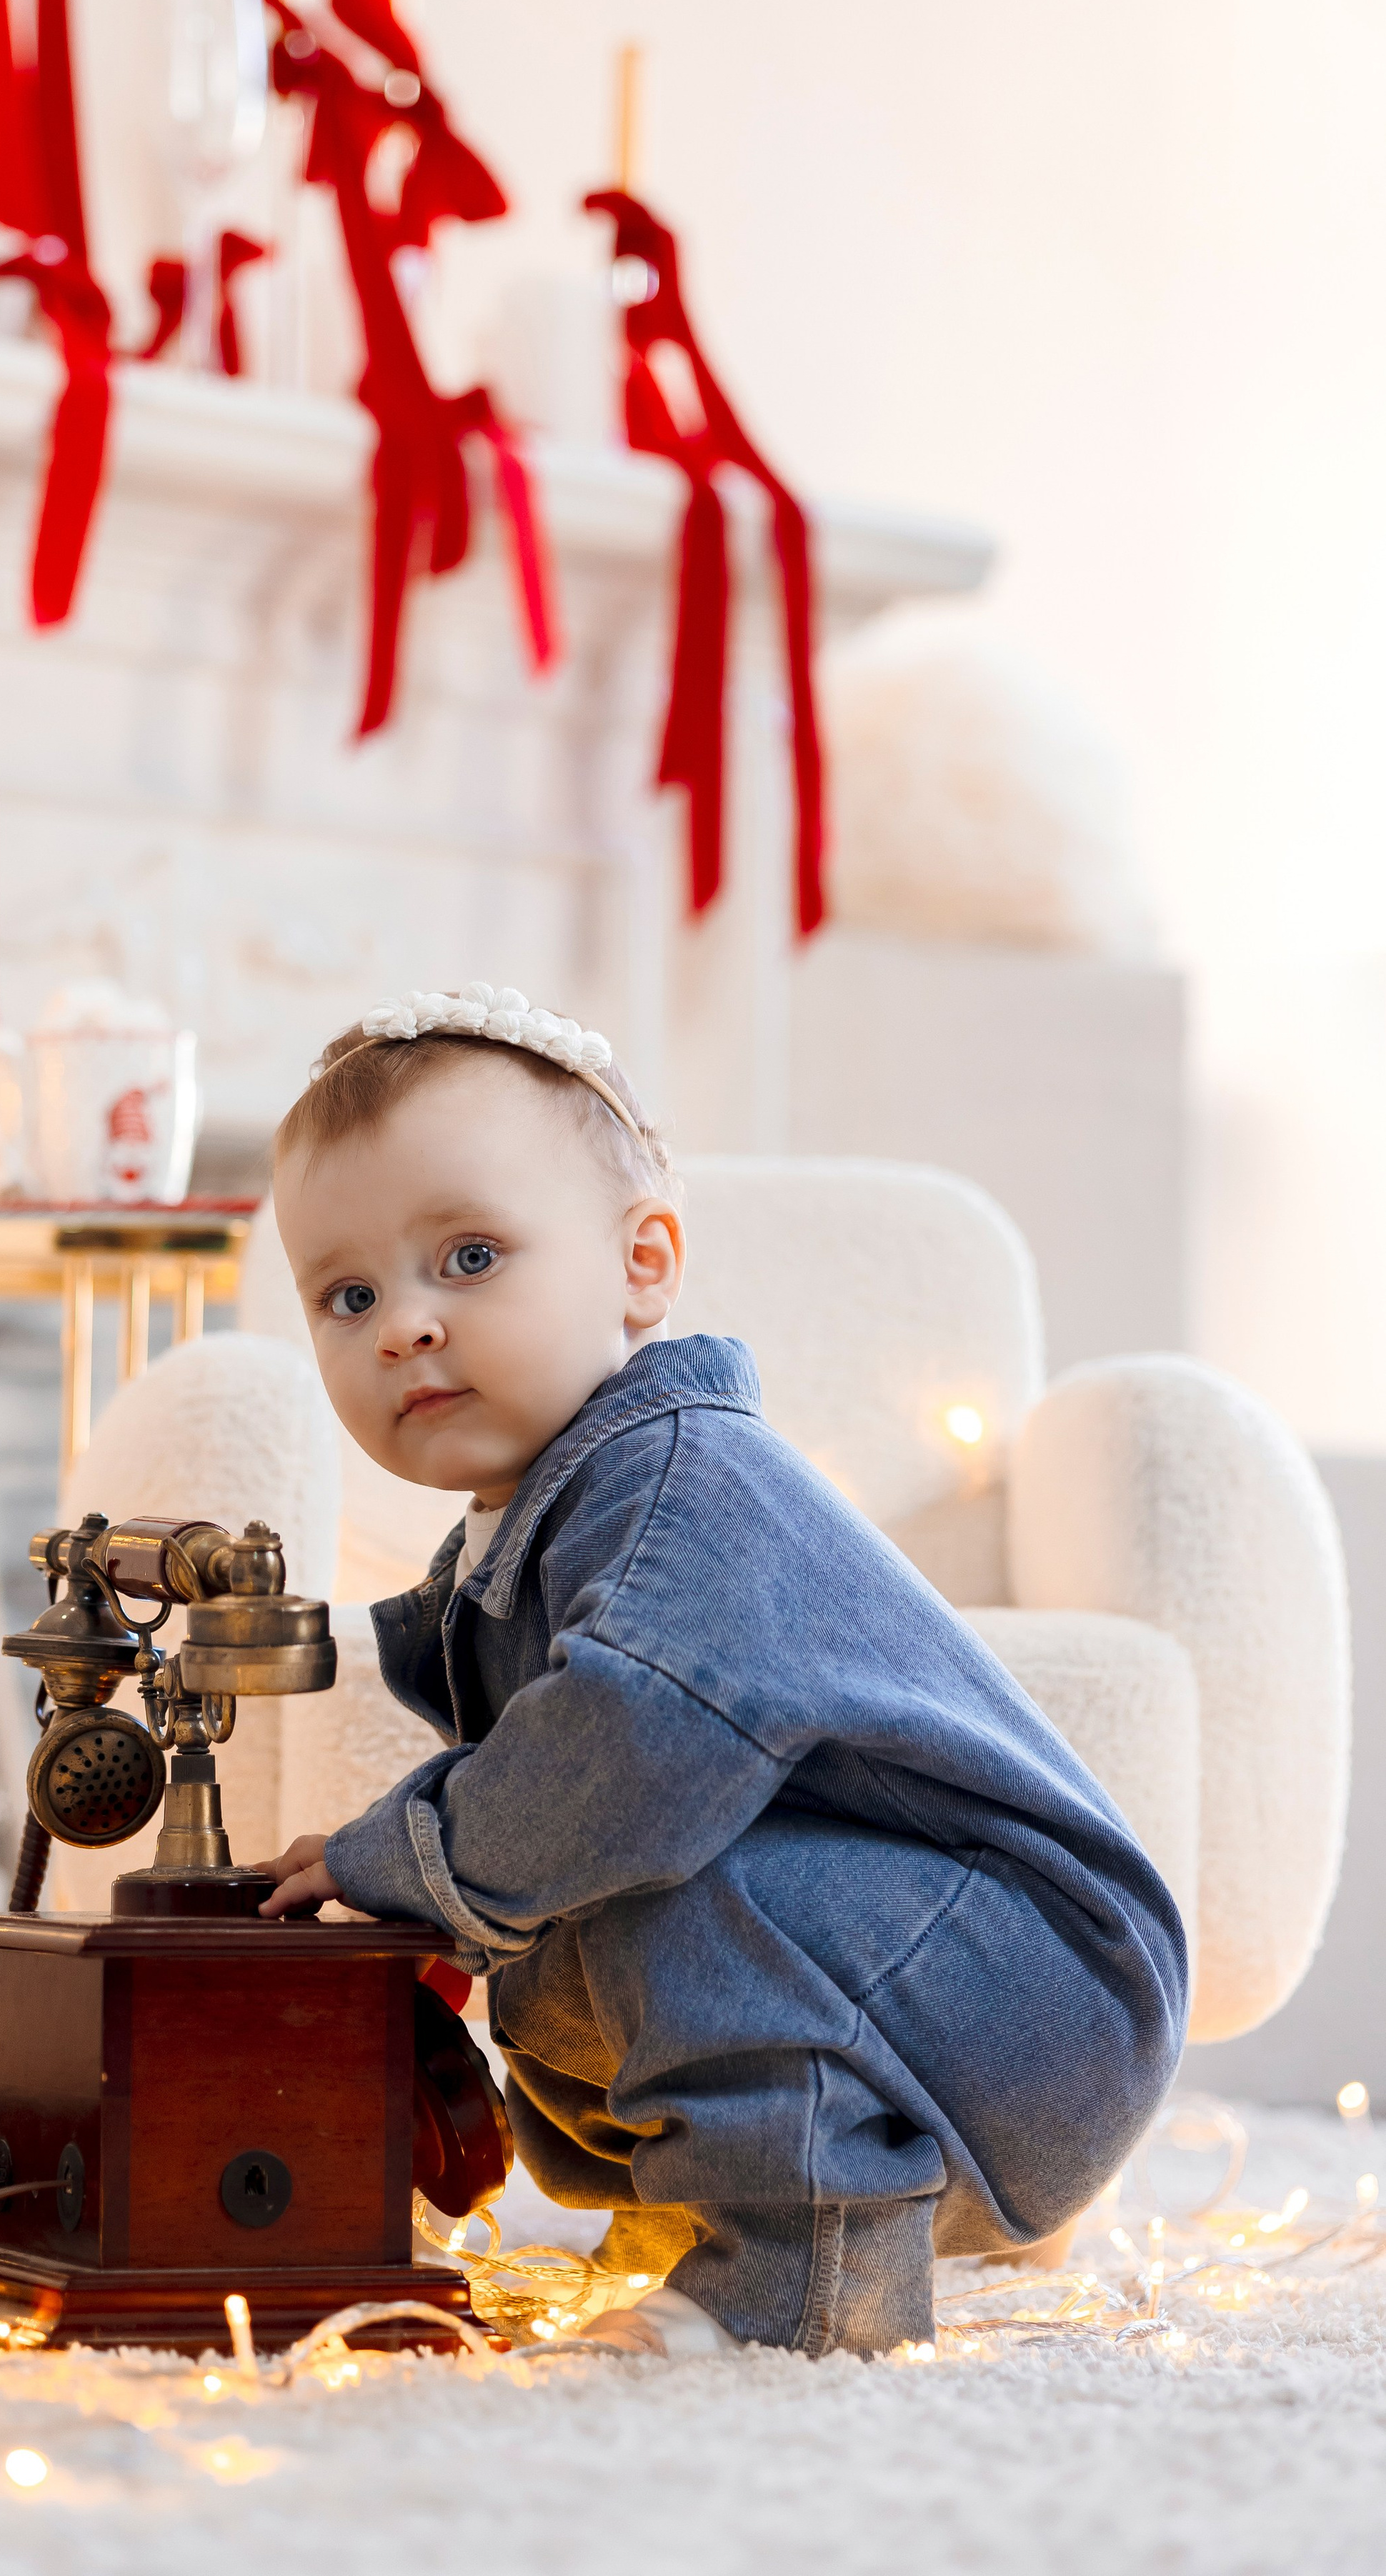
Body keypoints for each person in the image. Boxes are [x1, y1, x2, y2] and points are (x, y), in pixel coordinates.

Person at [260, 984, 1188, 2357]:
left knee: (648, 1849)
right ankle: (800, 2197)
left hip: (1047, 1989)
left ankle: (799, 2285)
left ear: (643, 1266)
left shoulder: (679, 1481)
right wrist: (410, 1891)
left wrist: (411, 1853)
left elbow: (631, 1746)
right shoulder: (537, 1518)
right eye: (350, 1294)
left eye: (468, 1257)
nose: (403, 1323)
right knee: (570, 1907)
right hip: (940, 2000)